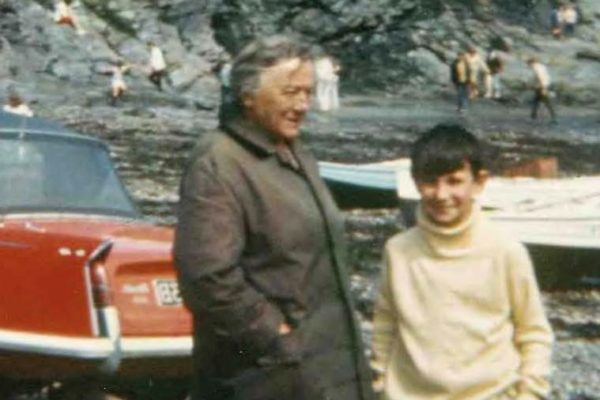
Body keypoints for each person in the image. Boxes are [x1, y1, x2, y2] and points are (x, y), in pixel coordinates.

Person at [173, 35, 374, 400]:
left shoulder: (295, 151)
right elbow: (207, 277)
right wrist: (273, 331)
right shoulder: (219, 162)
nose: (302, 105)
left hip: (323, 366)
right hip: (266, 376)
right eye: (290, 92)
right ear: (247, 96)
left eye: (308, 92)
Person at [371, 124, 554, 400]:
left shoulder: (505, 251)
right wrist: (380, 380)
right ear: (416, 182)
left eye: (454, 181)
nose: (441, 195)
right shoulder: (398, 251)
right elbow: (386, 323)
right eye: (431, 182)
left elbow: (534, 333)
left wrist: (530, 392)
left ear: (479, 181)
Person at [527, 57, 557, 123]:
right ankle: (533, 116)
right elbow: (546, 76)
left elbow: (540, 77)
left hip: (541, 86)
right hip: (546, 84)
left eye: (528, 64)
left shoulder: (535, 68)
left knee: (545, 102)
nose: (528, 66)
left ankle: (553, 117)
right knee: (537, 101)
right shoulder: (542, 66)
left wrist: (543, 88)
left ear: (531, 63)